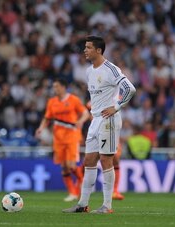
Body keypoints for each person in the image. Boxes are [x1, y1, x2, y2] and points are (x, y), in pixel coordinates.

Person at [63, 36, 135, 214]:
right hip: (95, 119)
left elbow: (130, 88)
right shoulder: (89, 71)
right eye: (85, 47)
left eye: (88, 47)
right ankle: (83, 204)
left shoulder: (111, 69)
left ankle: (107, 206)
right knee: (88, 160)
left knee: (106, 160)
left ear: (99, 50)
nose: (84, 50)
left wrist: (116, 107)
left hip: (108, 120)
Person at [36, 78, 90, 202]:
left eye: (57, 86)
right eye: (54, 87)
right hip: (58, 137)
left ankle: (83, 183)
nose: (55, 89)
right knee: (64, 166)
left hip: (72, 135)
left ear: (64, 87)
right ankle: (72, 192)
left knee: (71, 165)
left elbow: (85, 113)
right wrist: (40, 128)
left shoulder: (73, 100)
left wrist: (80, 122)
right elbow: (47, 118)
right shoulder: (52, 102)